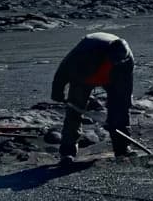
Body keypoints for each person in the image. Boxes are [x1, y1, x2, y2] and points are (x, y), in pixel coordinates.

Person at [51, 32, 135, 162]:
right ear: (107, 54)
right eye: (112, 61)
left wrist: (125, 102)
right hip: (83, 78)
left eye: (117, 62)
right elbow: (64, 68)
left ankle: (122, 148)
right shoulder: (86, 51)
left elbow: (126, 86)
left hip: (113, 80)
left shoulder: (126, 59)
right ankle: (67, 152)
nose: (114, 63)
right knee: (74, 112)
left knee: (120, 111)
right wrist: (57, 91)